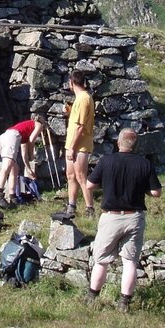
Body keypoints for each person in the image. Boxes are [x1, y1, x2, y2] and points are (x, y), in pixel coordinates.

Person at [83, 128, 161, 312]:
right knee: (130, 261)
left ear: (118, 143)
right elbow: (156, 192)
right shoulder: (144, 164)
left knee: (101, 260)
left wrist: (107, 183)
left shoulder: (107, 161)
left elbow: (89, 184)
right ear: (136, 146)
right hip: (134, 218)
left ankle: (92, 297)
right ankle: (124, 302)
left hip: (111, 217)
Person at [61, 70, 96, 219]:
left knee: (81, 176)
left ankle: (90, 208)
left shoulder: (83, 99)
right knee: (71, 175)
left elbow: (81, 126)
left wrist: (73, 148)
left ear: (72, 83)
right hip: (72, 144)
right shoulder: (80, 99)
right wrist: (69, 112)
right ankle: (71, 205)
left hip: (79, 145)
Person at [0, 118, 44, 208]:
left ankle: (13, 198)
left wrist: (28, 168)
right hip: (11, 138)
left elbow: (24, 153)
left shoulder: (24, 132)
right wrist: (32, 154)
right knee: (6, 166)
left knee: (14, 169)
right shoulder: (39, 125)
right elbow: (31, 140)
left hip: (2, 138)